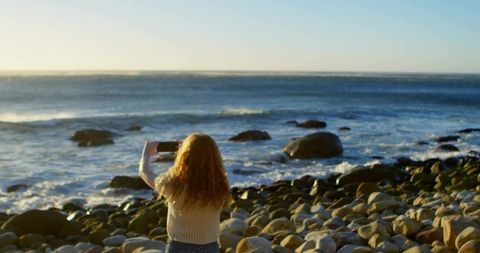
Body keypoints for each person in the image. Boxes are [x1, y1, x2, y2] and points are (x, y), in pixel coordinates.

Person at [138, 133, 231, 253]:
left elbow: (144, 172)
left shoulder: (173, 185)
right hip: (210, 248)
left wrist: (146, 153)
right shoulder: (220, 184)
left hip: (179, 247)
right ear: (215, 156)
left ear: (184, 157)